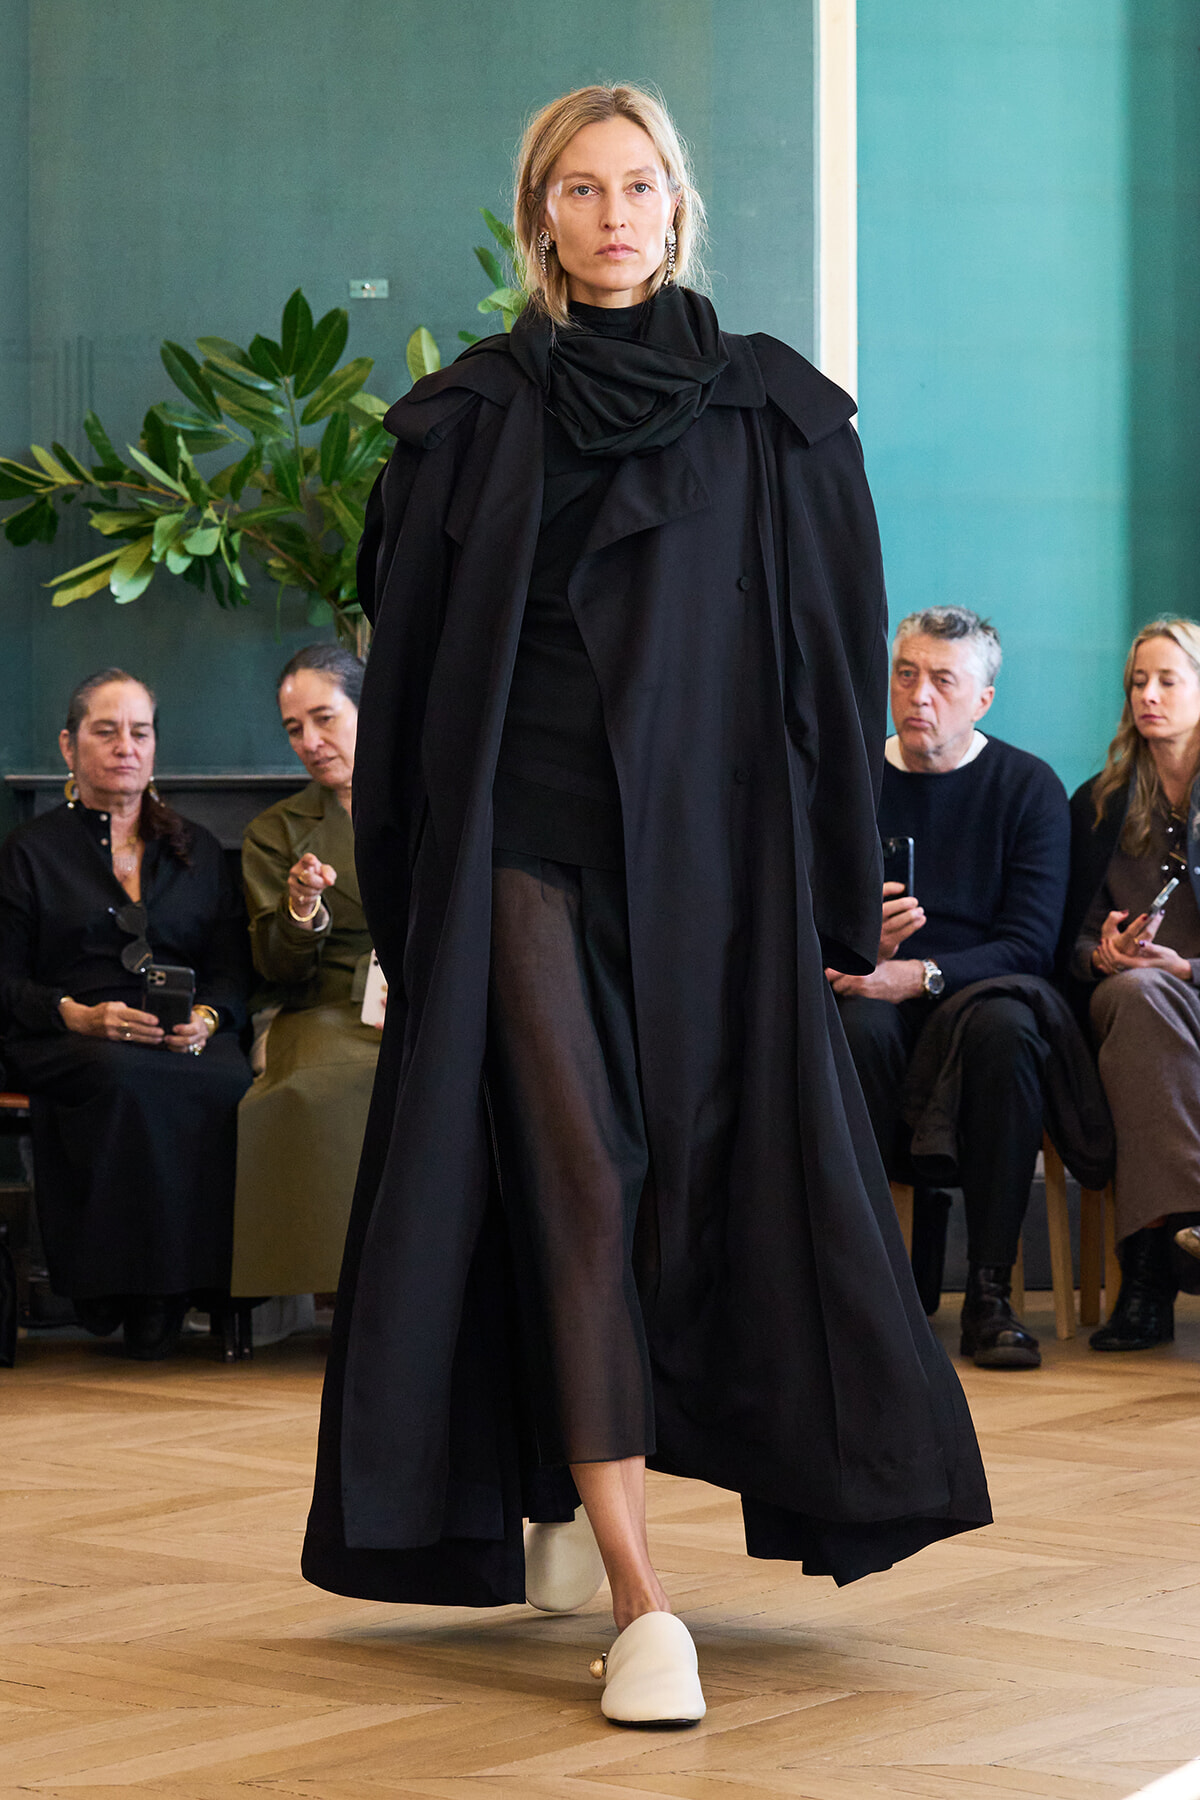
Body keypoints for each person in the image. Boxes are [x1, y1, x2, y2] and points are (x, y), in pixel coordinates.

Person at [302, 84, 990, 1726]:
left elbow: (831, 662)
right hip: (518, 861)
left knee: (711, 1190)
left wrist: (840, 886)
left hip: (716, 874)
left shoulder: (775, 421)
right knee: (583, 1183)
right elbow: (406, 701)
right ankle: (639, 1593)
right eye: (581, 190)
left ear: (678, 209)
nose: (615, 215)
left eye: (641, 188)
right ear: (540, 214)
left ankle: (568, 1477)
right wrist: (418, 906)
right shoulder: (465, 425)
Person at [829, 607, 1070, 1368]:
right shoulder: (850, 778)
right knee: (854, 1026)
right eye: (907, 674)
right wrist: (856, 948)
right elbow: (798, 914)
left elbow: (1030, 944)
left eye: (942, 679)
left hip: (980, 996)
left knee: (1007, 1029)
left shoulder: (1028, 787)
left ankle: (992, 1293)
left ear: (983, 699)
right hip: (873, 995)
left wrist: (919, 974)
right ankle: (869, 1292)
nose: (919, 695)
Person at [0, 669, 251, 1359]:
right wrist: (75, 1014)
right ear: (67, 746)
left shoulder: (196, 850)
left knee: (228, 1080)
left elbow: (232, 969)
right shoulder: (29, 851)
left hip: (180, 1031)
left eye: (139, 732)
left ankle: (202, 1291)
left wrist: (207, 1017)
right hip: (69, 1032)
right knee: (123, 1076)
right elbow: (7, 979)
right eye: (104, 731)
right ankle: (123, 1293)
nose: (124, 747)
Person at [231, 645, 380, 1314]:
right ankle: (351, 1299)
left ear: (367, 708)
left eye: (325, 718)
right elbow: (279, 969)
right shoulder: (279, 831)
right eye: (295, 728)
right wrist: (300, 909)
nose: (311, 743)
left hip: (428, 1005)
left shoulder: (436, 804)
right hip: (322, 1007)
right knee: (326, 1084)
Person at [1065, 617, 1200, 1351]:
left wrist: (1185, 968)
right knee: (1137, 1000)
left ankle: (1149, 1272)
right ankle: (1173, 1239)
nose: (1148, 696)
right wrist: (1106, 955)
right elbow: (1072, 941)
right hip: (1138, 1007)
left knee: (1152, 1001)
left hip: (1190, 998)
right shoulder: (1102, 804)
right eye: (1137, 683)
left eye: (1167, 680)